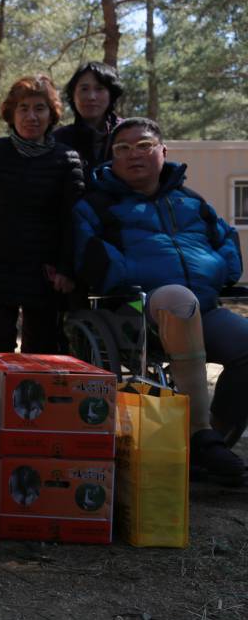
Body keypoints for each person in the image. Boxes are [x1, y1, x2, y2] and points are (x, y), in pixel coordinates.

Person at [73, 117, 247, 486]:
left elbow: (225, 239)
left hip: (203, 305)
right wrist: (128, 276)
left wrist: (220, 272)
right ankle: (199, 431)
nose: (133, 154)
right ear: (112, 158)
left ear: (163, 151)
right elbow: (91, 254)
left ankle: (214, 440)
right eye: (122, 148)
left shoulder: (191, 201)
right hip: (138, 308)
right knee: (177, 298)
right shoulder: (97, 205)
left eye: (144, 145)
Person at [0, 76, 84, 353]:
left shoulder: (67, 159)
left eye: (39, 108)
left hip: (44, 270)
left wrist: (67, 269)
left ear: (51, 113)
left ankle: (32, 398)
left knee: (41, 347)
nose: (31, 116)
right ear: (11, 112)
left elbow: (73, 220)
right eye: (23, 108)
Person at [54, 61, 124, 177]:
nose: (91, 97)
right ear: (73, 95)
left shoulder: (128, 134)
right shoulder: (59, 140)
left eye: (99, 89)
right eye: (84, 89)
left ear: (111, 94)